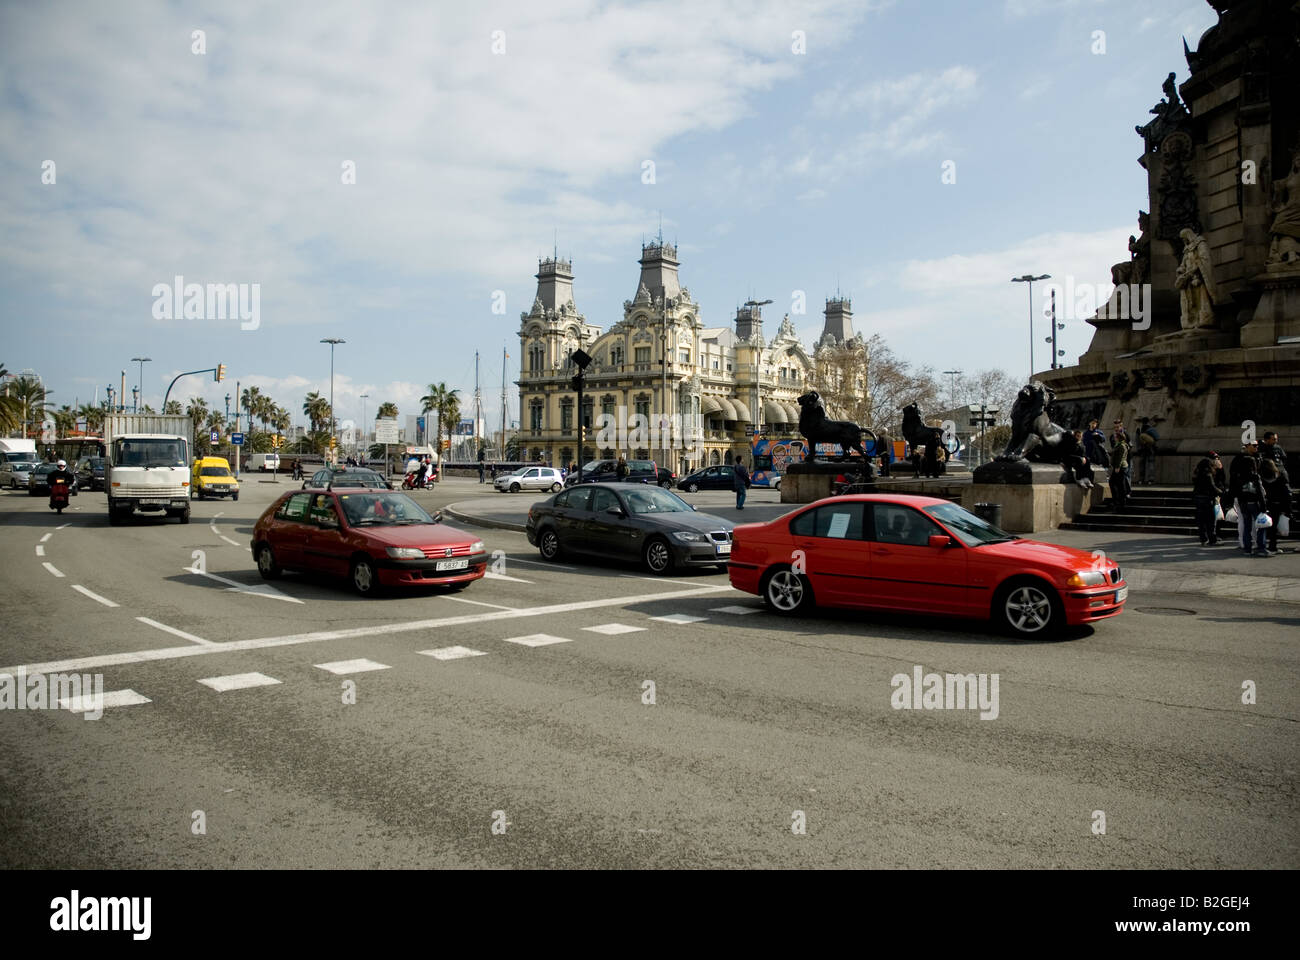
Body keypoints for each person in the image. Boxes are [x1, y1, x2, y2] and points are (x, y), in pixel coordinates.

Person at [1229, 441, 1263, 554]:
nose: (1256, 447)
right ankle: (1257, 544)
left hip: (1241, 497)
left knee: (1244, 521)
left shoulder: (1240, 464)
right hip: (1250, 499)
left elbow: (1233, 477)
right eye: (1254, 445)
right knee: (1251, 522)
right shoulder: (1253, 472)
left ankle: (1245, 544)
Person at [1260, 459, 1292, 555]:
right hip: (1279, 503)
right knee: (1275, 525)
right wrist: (1287, 508)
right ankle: (1273, 546)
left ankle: (1266, 545)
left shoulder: (1261, 476)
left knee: (1270, 526)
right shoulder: (1280, 476)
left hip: (1268, 502)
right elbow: (1286, 492)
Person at [1192, 455, 1224, 546]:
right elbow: (1212, 487)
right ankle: (1212, 539)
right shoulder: (1208, 475)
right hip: (1207, 499)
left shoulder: (1196, 475)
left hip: (1198, 498)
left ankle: (1203, 539)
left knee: (1201, 521)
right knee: (1210, 520)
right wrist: (1221, 492)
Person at [1109, 430, 1130, 513]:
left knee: (1119, 484)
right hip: (1117, 467)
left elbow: (1120, 457)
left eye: (1115, 437)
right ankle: (1117, 501)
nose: (1114, 438)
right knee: (1115, 483)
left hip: (1120, 468)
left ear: (1118, 438)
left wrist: (1117, 466)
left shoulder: (1122, 446)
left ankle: (1121, 503)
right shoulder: (1118, 445)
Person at [1135, 418, 1158, 485]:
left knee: (1142, 465)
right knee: (1151, 464)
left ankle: (1141, 479)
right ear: (1148, 421)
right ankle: (1151, 479)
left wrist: (1138, 449)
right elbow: (1155, 439)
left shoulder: (1139, 429)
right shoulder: (1151, 429)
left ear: (1142, 422)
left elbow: (1137, 440)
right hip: (1151, 449)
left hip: (1142, 449)